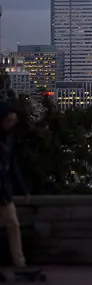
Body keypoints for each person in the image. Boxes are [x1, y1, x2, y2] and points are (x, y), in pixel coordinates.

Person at [0, 102, 29, 269]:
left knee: (13, 225)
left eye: (13, 121)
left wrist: (23, 189)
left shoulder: (9, 140)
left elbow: (13, 167)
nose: (11, 124)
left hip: (5, 193)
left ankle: (19, 263)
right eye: (9, 121)